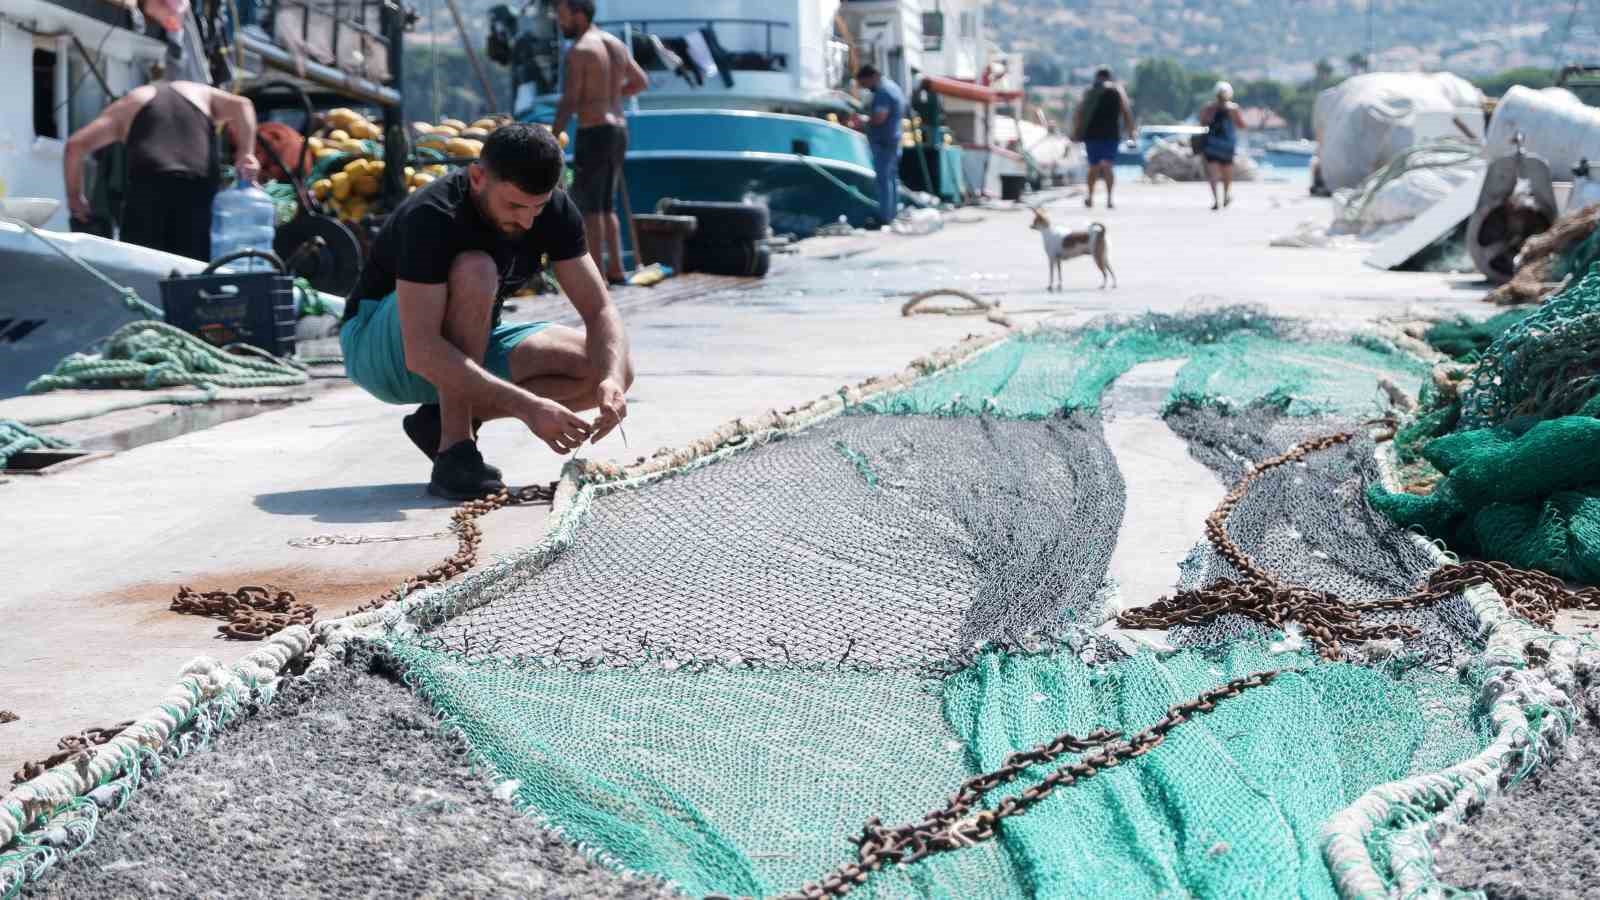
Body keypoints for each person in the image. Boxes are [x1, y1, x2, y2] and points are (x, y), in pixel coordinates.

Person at [338, 123, 634, 500]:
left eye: (537, 207)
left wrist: (611, 378)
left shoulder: (554, 211)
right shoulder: (434, 214)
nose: (527, 221)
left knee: (607, 366)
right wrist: (528, 407)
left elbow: (600, 308)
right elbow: (422, 351)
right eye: (513, 206)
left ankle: (438, 421)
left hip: (457, 346)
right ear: (478, 177)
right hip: (379, 351)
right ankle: (455, 451)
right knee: (476, 268)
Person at [63, 79, 258, 260]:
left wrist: (74, 197)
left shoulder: (131, 103)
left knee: (143, 274)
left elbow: (75, 146)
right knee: (194, 277)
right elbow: (243, 105)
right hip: (197, 195)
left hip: (147, 197)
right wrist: (245, 153)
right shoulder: (199, 92)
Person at [553, 0, 648, 286]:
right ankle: (617, 268)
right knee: (607, 205)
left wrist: (552, 133)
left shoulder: (580, 51)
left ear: (579, 16)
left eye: (563, 17)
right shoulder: (615, 44)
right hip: (618, 129)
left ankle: (598, 276)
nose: (561, 23)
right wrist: (610, 96)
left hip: (594, 130)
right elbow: (640, 81)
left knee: (591, 207)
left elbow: (570, 99)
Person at [1072, 67, 1134, 209]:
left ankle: (1090, 197)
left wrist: (1076, 132)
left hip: (1091, 135)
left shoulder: (1089, 91)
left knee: (1093, 166)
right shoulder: (1117, 90)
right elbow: (1126, 110)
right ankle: (1109, 199)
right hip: (1111, 135)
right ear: (1109, 77)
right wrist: (1131, 131)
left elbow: (1079, 112)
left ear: (1097, 77)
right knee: (1107, 166)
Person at [854, 64, 905, 228]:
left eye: (865, 84)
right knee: (891, 179)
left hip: (884, 142)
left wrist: (862, 122)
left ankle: (884, 217)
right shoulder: (894, 87)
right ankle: (892, 214)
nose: (865, 88)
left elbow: (879, 117)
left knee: (884, 180)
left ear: (873, 77)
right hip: (893, 139)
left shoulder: (883, 92)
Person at [1199, 81, 1247, 210]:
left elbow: (1202, 123)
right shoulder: (1233, 108)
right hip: (1227, 145)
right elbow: (1242, 125)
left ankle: (1216, 200)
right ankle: (1225, 196)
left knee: (1213, 174)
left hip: (1211, 145)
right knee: (1227, 174)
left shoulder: (1208, 108)